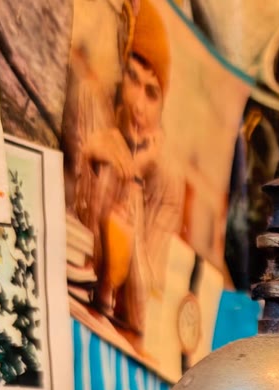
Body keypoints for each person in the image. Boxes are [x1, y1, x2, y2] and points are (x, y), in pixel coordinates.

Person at [66, 0, 184, 343]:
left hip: (110, 331)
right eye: (133, 78)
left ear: (163, 105)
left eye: (152, 93)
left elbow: (145, 312)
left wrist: (134, 178)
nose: (138, 105)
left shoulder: (167, 180)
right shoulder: (92, 104)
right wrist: (87, 153)